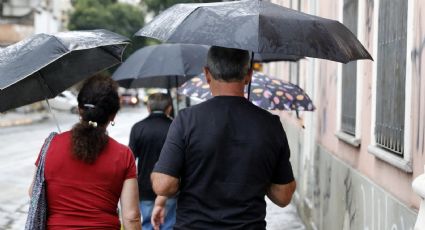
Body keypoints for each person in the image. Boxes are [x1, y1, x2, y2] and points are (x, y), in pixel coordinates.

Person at [150, 46, 297, 229]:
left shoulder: (186, 120)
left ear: (207, 73)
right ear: (249, 75)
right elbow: (283, 196)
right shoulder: (270, 124)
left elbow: (163, 185)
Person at [29, 75, 141, 229]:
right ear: (113, 115)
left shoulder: (50, 146)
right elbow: (131, 217)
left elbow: (33, 192)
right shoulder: (123, 155)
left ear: (80, 110)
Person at [129, 93, 176, 230]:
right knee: (168, 225)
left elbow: (130, 159)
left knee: (148, 224)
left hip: (145, 186)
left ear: (148, 107)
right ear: (168, 108)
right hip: (170, 187)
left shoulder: (138, 127)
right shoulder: (175, 127)